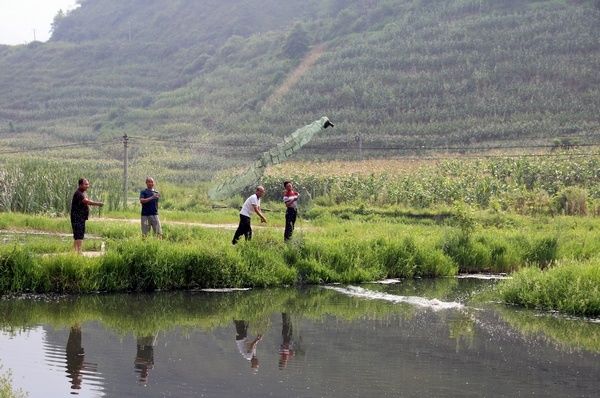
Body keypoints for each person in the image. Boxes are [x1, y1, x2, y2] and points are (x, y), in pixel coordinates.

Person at [71, 178, 103, 253]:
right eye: (86, 184)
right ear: (80, 185)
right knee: (79, 235)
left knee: (77, 236)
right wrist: (98, 204)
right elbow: (86, 202)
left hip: (80, 218)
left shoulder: (82, 193)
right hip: (77, 218)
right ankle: (79, 253)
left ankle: (73, 253)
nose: (87, 186)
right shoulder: (79, 193)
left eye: (88, 184)